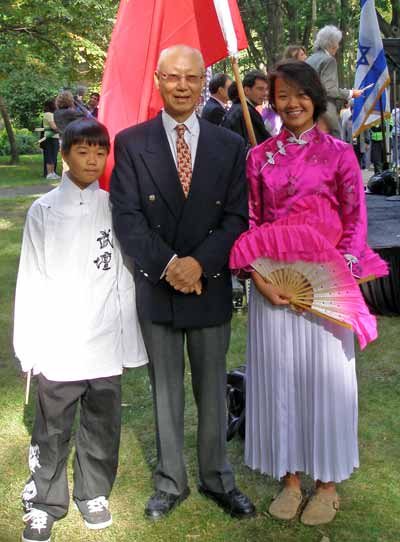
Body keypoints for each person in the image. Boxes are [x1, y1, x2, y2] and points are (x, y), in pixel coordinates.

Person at [110, 44, 255, 521]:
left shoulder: (230, 145)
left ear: (202, 80)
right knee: (165, 389)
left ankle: (217, 478)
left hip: (209, 283)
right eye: (173, 77)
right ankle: (171, 481)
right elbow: (128, 219)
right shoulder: (132, 143)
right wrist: (172, 264)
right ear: (158, 80)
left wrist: (200, 265)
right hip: (158, 284)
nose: (183, 86)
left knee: (213, 387)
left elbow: (236, 216)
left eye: (192, 78)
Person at [234, 60, 381, 526]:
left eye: (300, 94)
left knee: (326, 385)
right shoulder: (258, 159)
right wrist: (260, 279)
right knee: (280, 383)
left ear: (315, 98)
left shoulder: (340, 154)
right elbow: (253, 224)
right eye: (282, 95)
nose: (291, 103)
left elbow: (355, 221)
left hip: (324, 288)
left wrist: (335, 282)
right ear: (271, 101)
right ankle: (291, 479)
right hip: (272, 288)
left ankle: (328, 483)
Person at [14, 119, 148, 542]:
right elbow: (30, 277)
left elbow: (126, 277)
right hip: (60, 337)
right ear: (66, 153)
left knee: (102, 420)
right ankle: (44, 501)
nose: (92, 160)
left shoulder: (115, 206)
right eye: (82, 151)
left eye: (100, 152)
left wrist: (129, 337)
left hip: (106, 334)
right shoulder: (44, 210)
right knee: (52, 425)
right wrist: (29, 343)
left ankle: (93, 492)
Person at [307, 25, 363, 138]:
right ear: (331, 44)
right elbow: (330, 90)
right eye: (337, 43)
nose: (338, 46)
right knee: (335, 141)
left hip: (310, 110)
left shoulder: (310, 59)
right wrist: (351, 93)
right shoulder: (329, 60)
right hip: (325, 110)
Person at [222, 69, 271, 146]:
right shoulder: (245, 112)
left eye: (266, 89)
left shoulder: (239, 109)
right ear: (247, 90)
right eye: (260, 89)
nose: (265, 93)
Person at [41, 99, 60, 180]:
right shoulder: (48, 114)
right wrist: (61, 128)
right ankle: (49, 173)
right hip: (50, 137)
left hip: (54, 137)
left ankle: (53, 173)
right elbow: (54, 127)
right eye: (55, 104)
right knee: (50, 155)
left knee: (53, 156)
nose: (56, 105)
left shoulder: (51, 114)